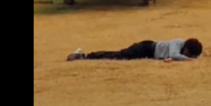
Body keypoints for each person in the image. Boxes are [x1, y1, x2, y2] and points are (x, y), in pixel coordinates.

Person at [66, 38, 203, 62]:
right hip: (145, 48)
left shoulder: (182, 48)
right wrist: (189, 60)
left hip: (148, 52)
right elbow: (174, 55)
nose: (186, 56)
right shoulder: (177, 43)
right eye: (188, 54)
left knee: (119, 55)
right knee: (118, 56)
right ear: (186, 48)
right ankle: (86, 56)